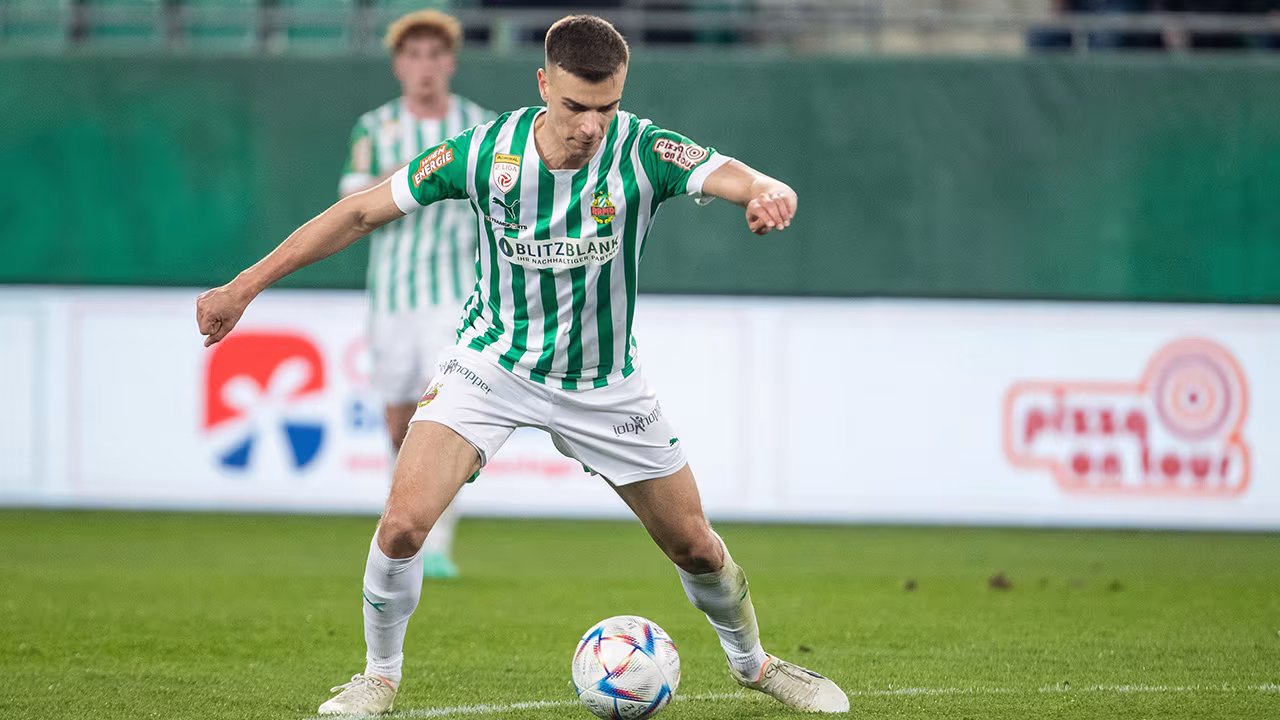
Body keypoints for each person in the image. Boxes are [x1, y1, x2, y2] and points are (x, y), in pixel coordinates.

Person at [197, 14, 849, 716]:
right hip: (492, 367)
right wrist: (244, 286)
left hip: (604, 384)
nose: (591, 126)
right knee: (402, 526)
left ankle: (755, 664)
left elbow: (739, 176)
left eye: (607, 107)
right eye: (575, 106)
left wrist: (768, 192)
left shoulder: (644, 149)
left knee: (695, 546)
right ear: (543, 84)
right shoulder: (483, 152)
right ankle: (378, 678)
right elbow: (358, 214)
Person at [339, 10, 494, 578]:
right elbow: (354, 200)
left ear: (450, 62)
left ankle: (440, 544)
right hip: (392, 297)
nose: (425, 66)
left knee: (446, 417)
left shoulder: (478, 127)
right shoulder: (375, 127)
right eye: (414, 55)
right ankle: (403, 535)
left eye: (435, 54)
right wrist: (418, 171)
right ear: (398, 65)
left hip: (456, 297)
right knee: (399, 423)